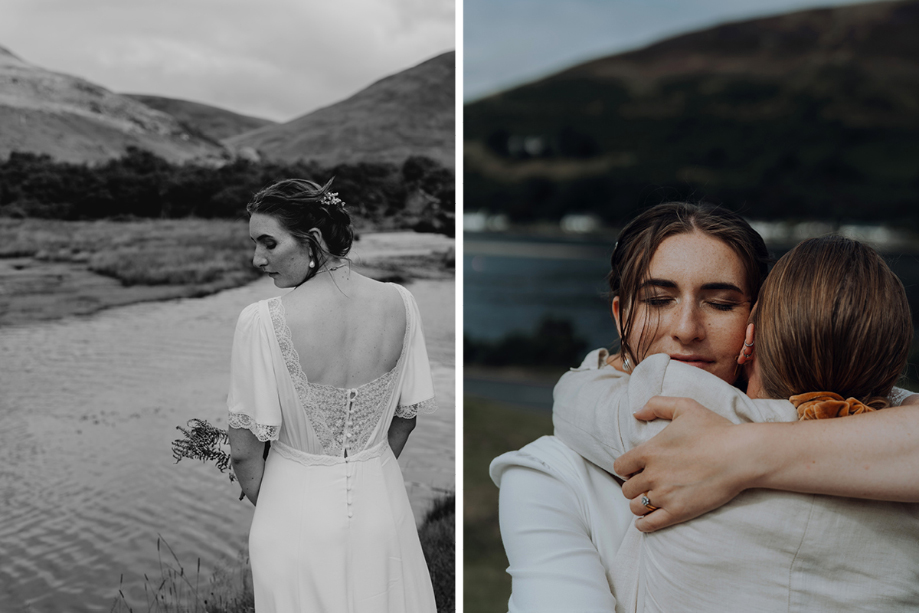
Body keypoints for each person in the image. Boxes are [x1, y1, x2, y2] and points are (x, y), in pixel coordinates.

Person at [490, 204, 917, 611]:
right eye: (658, 301)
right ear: (621, 317)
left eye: (720, 303)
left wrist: (736, 452)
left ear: (757, 324)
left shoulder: (875, 428)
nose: (686, 330)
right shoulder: (549, 475)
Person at [226, 178, 438, 612]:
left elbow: (244, 452)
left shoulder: (261, 321)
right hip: (383, 505)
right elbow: (406, 416)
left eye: (268, 243)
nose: (257, 258)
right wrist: (366, 471)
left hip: (293, 516)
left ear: (314, 240)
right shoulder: (401, 302)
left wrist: (282, 504)